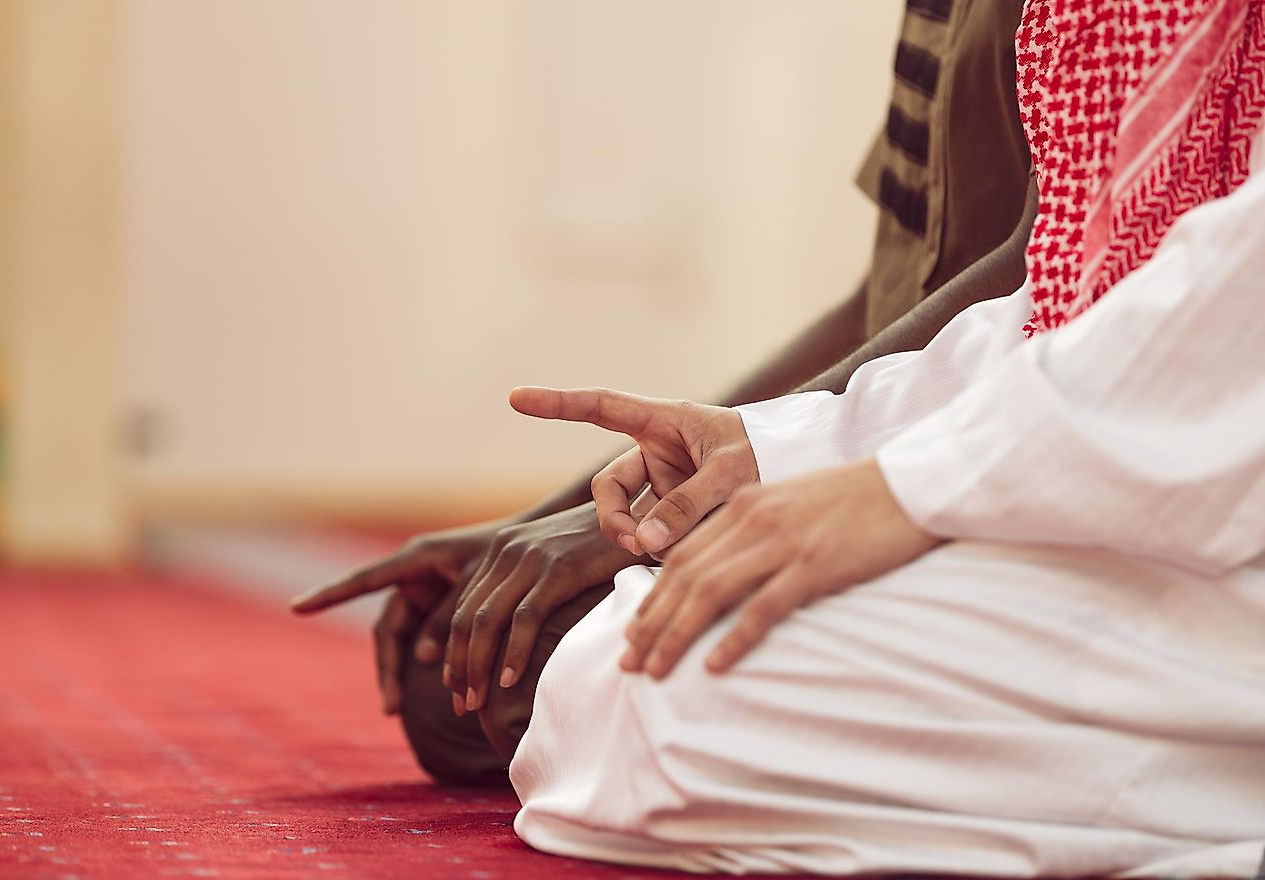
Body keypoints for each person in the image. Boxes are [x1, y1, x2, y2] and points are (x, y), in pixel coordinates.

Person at [505, 0, 1265, 875]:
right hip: (1119, 456)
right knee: (607, 658)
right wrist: (775, 446)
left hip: (1189, 502)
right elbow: (1089, 289)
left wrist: (908, 486)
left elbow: (1203, 306)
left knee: (668, 682)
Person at [291, 0, 1034, 785]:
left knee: (533, 666)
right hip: (836, 434)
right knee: (444, 668)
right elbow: (875, 302)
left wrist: (679, 504)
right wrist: (534, 524)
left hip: (956, 460)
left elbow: (1035, 271)